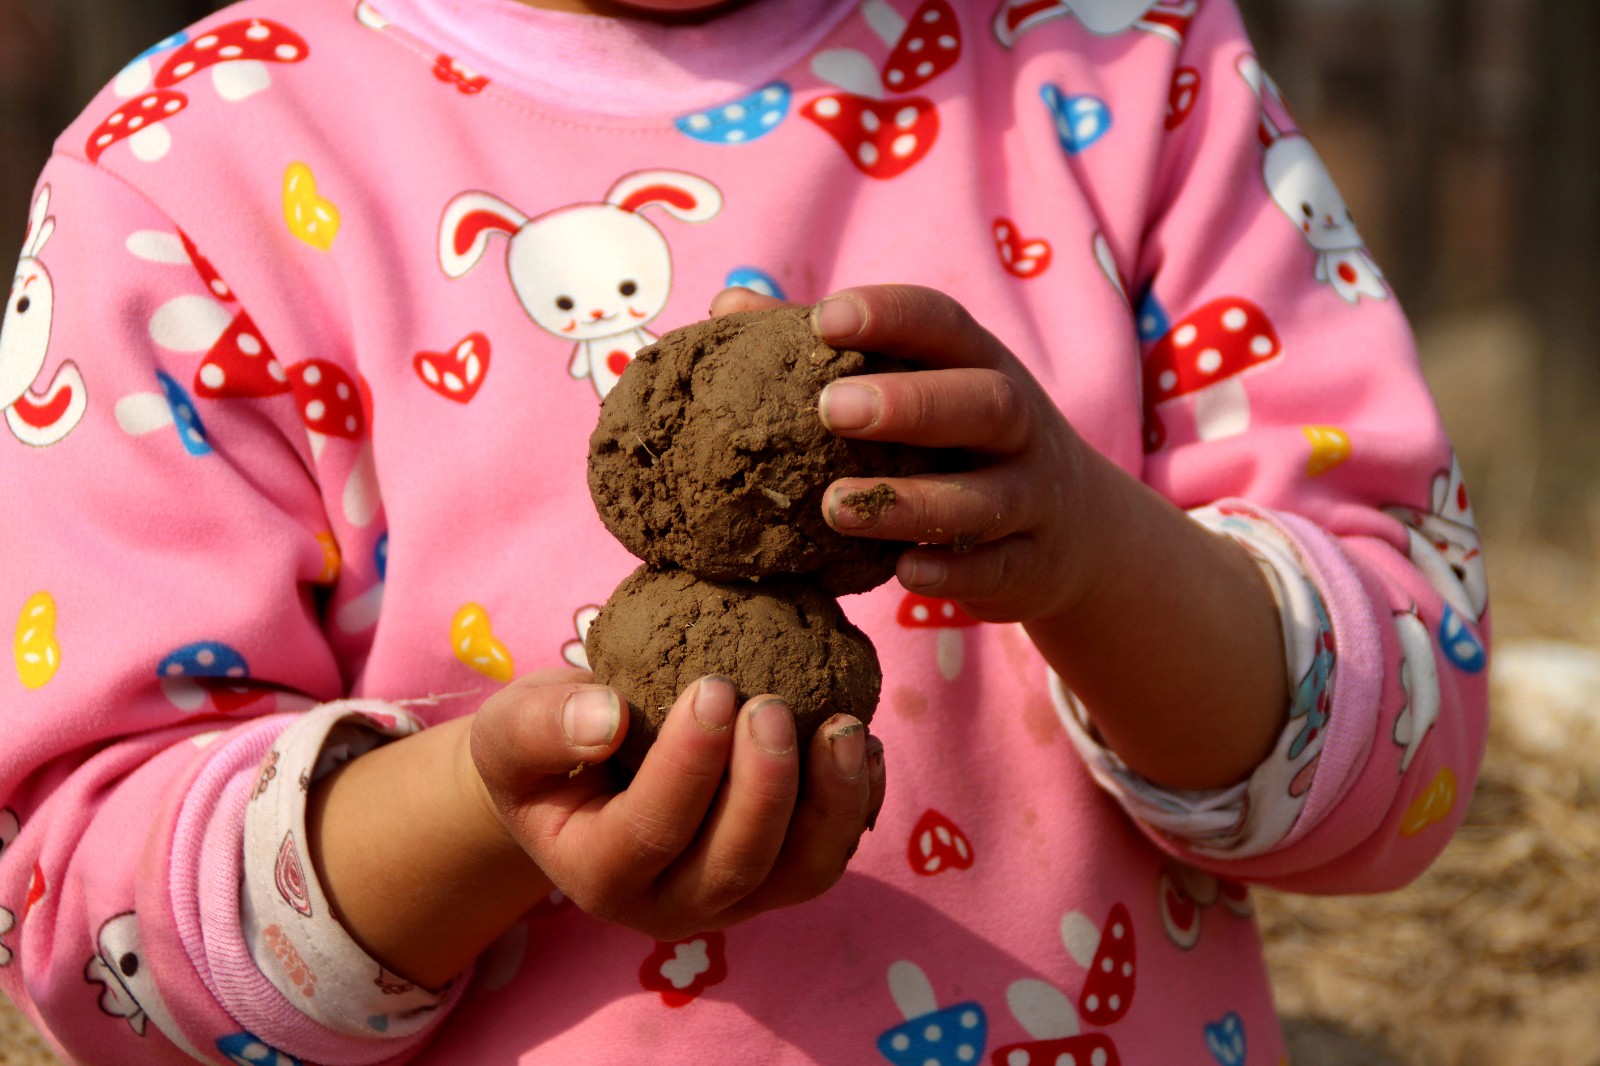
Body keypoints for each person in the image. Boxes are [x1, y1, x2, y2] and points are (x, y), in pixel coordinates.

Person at [0, 0, 1490, 1061]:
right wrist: (474, 813)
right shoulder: (194, 174)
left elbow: (1408, 728)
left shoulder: (1121, 61)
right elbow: (94, 912)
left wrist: (1100, 555)